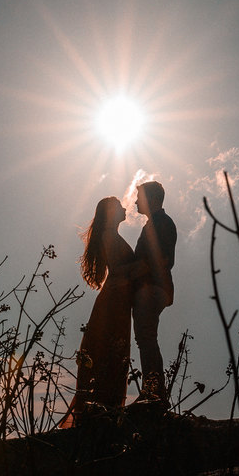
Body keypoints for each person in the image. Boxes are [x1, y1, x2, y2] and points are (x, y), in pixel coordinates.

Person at [59, 196, 137, 427]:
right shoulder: (109, 235)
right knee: (109, 353)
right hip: (113, 303)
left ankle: (106, 413)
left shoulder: (111, 234)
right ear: (112, 212)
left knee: (114, 355)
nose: (125, 208)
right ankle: (101, 414)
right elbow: (119, 269)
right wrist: (145, 265)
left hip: (119, 303)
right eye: (120, 206)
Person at [132, 180, 177, 405]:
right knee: (145, 338)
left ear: (152, 199)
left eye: (139, 197)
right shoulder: (155, 223)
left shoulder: (162, 223)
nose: (135, 201)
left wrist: (130, 273)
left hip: (151, 289)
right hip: (151, 288)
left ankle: (154, 393)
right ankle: (153, 391)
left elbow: (162, 260)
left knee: (146, 338)